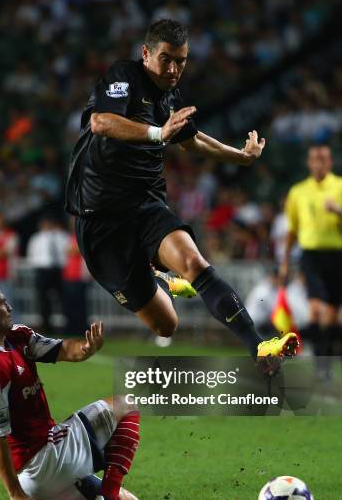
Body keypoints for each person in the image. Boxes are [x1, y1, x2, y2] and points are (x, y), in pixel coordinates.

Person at [65, 18, 297, 369]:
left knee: (194, 262)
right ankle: (160, 277)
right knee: (166, 324)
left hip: (144, 205)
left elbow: (191, 140)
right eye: (167, 59)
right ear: (146, 54)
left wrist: (241, 156)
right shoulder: (124, 77)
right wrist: (159, 133)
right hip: (99, 222)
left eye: (182, 61)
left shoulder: (171, 96)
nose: (174, 69)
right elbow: (101, 123)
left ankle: (259, 347)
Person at [0, 279, 141, 500]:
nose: (9, 306)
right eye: (2, 303)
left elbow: (63, 350)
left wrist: (87, 347)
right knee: (126, 404)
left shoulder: (16, 336)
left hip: (42, 475)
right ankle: (108, 497)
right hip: (44, 459)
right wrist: (15, 495)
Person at [280, 145, 342, 363]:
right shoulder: (298, 191)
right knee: (316, 310)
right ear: (309, 163)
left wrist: (339, 211)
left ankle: (338, 347)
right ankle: (321, 361)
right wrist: (285, 262)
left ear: (330, 162)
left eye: (323, 159)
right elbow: (292, 230)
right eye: (314, 159)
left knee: (334, 315)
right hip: (311, 256)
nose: (318, 163)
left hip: (338, 255)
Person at [27, 215, 68, 332]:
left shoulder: (60, 236)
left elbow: (64, 253)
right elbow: (32, 255)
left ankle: (67, 324)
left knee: (62, 298)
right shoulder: (36, 238)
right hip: (42, 270)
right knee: (43, 300)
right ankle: (46, 326)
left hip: (57, 270)